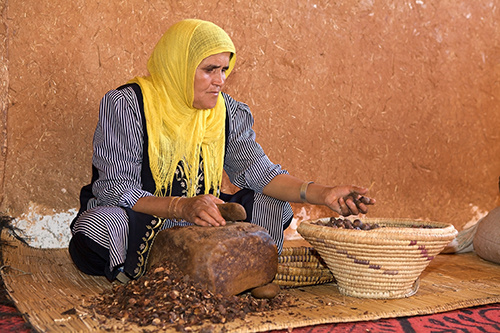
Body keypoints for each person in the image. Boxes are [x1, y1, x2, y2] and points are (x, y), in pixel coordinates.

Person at [69, 19, 375, 282]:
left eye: (225, 69)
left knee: (272, 204)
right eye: (209, 69)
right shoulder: (128, 105)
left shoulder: (225, 112)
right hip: (142, 219)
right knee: (103, 226)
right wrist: (180, 207)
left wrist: (324, 194)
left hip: (202, 225)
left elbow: (262, 173)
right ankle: (150, 274)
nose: (220, 81)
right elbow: (115, 188)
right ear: (179, 65)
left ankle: (241, 273)